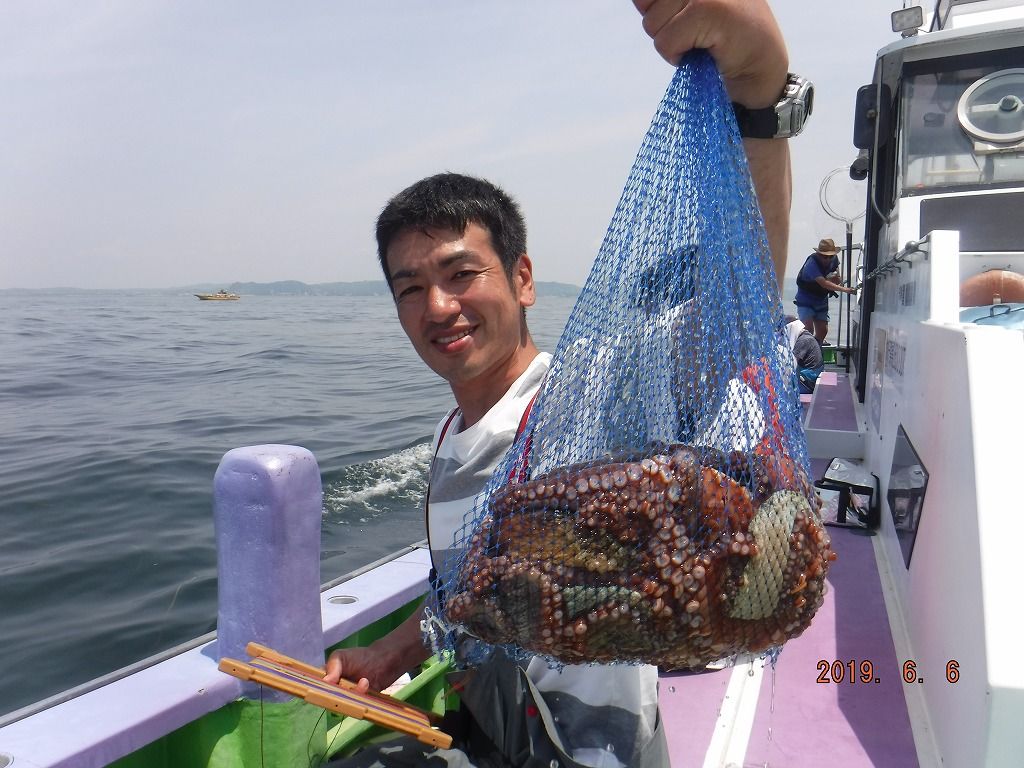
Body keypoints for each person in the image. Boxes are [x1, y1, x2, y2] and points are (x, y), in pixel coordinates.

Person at [323, 2, 795, 765]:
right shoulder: (451, 436)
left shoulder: (588, 398)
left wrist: (759, 91)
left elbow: (734, 316)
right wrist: (388, 653)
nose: (437, 305)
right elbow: (467, 586)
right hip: (499, 732)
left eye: (460, 273)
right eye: (410, 287)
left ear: (523, 279)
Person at [793, 237, 857, 344]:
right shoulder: (811, 264)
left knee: (823, 331)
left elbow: (838, 279)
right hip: (806, 300)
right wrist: (846, 290)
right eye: (824, 256)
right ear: (818, 254)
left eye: (830, 256)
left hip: (821, 299)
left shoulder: (834, 260)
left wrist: (836, 279)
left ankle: (817, 348)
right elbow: (823, 283)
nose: (827, 259)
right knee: (807, 329)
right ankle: (804, 348)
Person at [785, 315, 824, 394]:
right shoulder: (806, 336)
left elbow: (791, 364)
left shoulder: (803, 340)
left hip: (807, 384)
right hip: (810, 380)